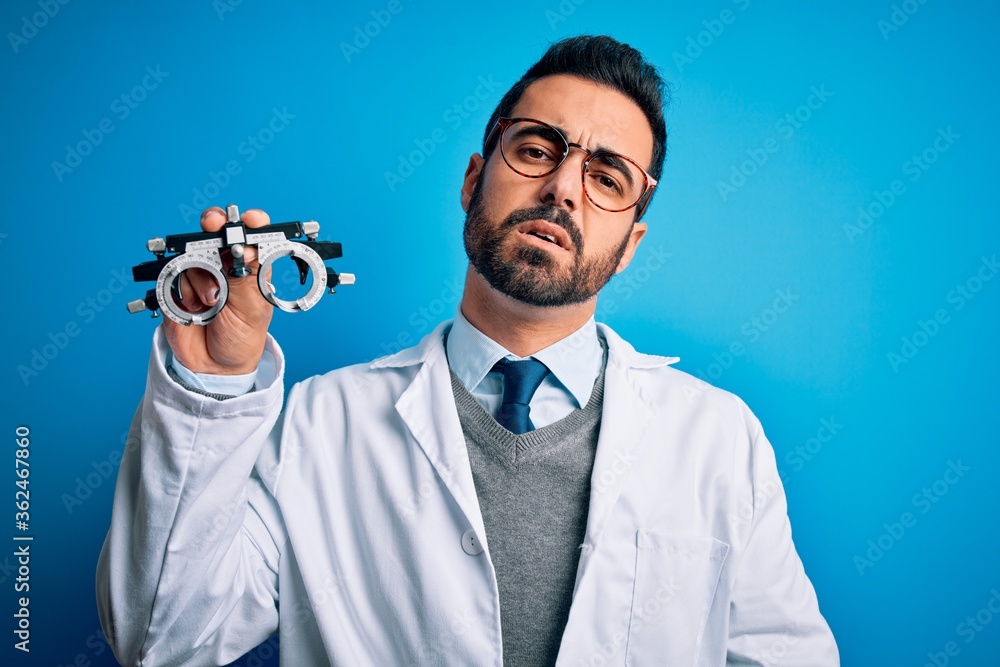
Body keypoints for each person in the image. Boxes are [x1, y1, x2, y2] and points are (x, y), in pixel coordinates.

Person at [97, 35, 839, 666]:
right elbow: (164, 637)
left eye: (607, 177)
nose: (563, 189)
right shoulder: (324, 424)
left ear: (629, 249)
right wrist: (213, 384)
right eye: (537, 148)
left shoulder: (717, 438)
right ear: (473, 179)